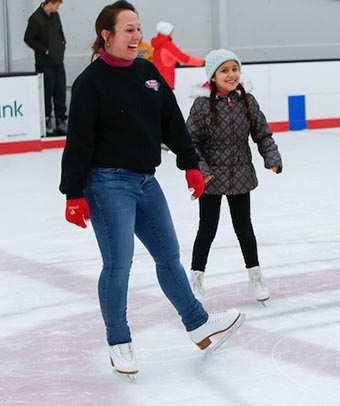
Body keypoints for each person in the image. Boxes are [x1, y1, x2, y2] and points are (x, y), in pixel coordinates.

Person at [59, 0, 243, 378]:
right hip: (108, 182)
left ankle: (199, 324)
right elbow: (77, 140)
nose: (137, 36)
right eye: (128, 29)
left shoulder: (147, 71)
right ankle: (118, 341)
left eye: (138, 28)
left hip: (146, 180)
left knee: (168, 255)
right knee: (118, 264)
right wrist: (73, 192)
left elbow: (171, 121)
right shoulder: (90, 83)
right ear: (106, 36)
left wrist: (190, 163)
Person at [186, 49, 282, 304]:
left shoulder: (247, 101)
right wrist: (203, 172)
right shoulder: (201, 105)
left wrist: (271, 157)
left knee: (244, 227)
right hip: (212, 177)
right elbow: (191, 143)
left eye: (234, 69)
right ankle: (195, 279)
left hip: (240, 172)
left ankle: (255, 276)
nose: (231, 75)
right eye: (224, 70)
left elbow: (262, 133)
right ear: (213, 76)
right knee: (207, 228)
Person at [24, 0, 68, 136]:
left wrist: (62, 41)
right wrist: (44, 50)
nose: (58, 7)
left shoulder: (55, 15)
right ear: (50, 3)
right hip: (45, 63)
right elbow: (28, 38)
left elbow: (60, 30)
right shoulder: (35, 19)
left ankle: (61, 119)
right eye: (57, 4)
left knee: (60, 90)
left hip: (58, 60)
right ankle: (47, 119)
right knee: (47, 92)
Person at [150, 21, 204, 89]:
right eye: (171, 32)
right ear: (167, 33)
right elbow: (184, 59)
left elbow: (163, 60)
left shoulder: (158, 45)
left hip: (158, 81)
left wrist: (174, 62)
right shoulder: (167, 45)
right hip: (166, 82)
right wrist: (202, 62)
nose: (173, 34)